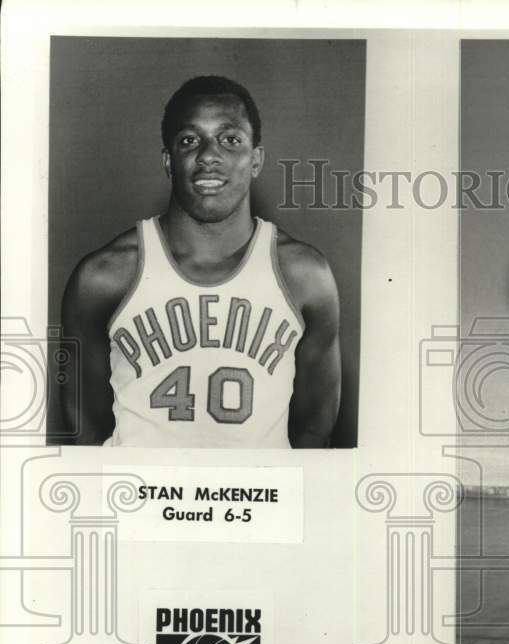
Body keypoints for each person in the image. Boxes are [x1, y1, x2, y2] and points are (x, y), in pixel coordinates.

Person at [61, 75, 341, 448]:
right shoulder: (104, 277)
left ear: (256, 159)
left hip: (255, 504)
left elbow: (313, 432)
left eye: (230, 140)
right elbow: (88, 433)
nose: (209, 155)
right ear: (168, 161)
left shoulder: (305, 277)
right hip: (146, 503)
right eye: (190, 140)